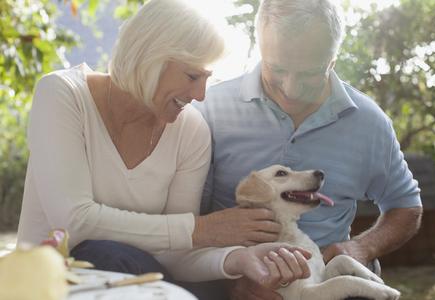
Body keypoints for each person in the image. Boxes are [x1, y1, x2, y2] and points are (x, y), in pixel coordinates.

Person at [16, 0, 311, 294]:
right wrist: (198, 229)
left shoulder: (191, 130)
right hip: (49, 283)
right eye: (193, 76)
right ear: (150, 57)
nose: (200, 94)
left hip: (138, 284)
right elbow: (74, 221)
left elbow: (175, 252)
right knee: (102, 252)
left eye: (207, 79)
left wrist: (237, 259)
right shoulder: (62, 94)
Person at [194, 0, 423, 298]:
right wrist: (230, 278)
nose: (290, 89)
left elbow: (406, 206)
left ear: (332, 60)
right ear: (259, 45)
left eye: (309, 73)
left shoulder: (369, 123)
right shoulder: (210, 108)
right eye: (277, 69)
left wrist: (360, 247)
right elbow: (186, 219)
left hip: (326, 279)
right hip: (230, 281)